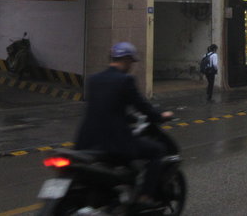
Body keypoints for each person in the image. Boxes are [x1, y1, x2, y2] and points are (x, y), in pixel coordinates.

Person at [74, 42, 174, 208]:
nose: (131, 66)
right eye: (131, 62)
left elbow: (106, 107)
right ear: (127, 60)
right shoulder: (125, 80)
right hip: (114, 142)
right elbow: (142, 106)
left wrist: (127, 118)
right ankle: (145, 197)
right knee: (157, 151)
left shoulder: (94, 80)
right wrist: (160, 116)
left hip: (86, 141)